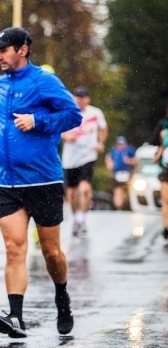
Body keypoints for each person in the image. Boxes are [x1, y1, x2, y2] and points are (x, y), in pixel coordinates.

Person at [0, 27, 81, 338]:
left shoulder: (44, 81)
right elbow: (3, 125)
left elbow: (73, 116)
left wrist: (39, 121)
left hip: (43, 180)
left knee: (51, 253)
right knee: (14, 248)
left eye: (4, 50)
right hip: (7, 182)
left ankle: (62, 296)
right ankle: (16, 317)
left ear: (22, 49)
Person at [61, 86, 107, 236]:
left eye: (82, 97)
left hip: (88, 155)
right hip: (70, 158)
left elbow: (103, 128)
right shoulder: (67, 112)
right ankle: (75, 218)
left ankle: (83, 218)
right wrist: (66, 137)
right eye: (77, 97)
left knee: (85, 188)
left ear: (87, 99)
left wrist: (101, 142)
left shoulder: (95, 113)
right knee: (72, 193)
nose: (79, 100)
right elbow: (57, 129)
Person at [105, 136, 136, 210]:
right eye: (119, 144)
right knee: (117, 190)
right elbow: (108, 158)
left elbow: (136, 160)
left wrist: (130, 161)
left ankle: (126, 205)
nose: (121, 145)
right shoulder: (114, 150)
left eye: (122, 144)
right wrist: (109, 164)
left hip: (127, 173)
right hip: (117, 174)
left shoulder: (129, 150)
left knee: (127, 191)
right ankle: (119, 206)